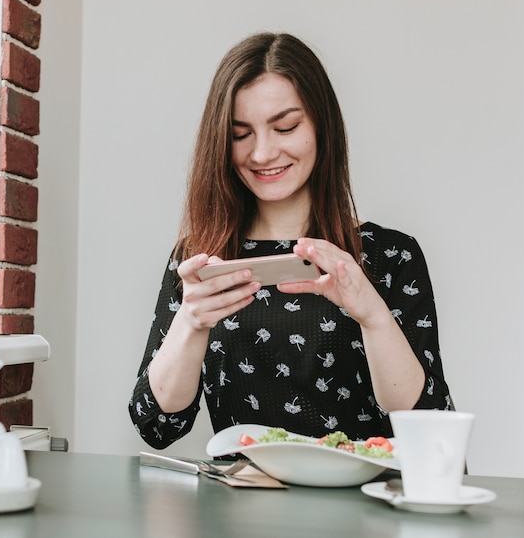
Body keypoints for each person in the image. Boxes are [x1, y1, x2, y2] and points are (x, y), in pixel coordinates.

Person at [129, 32, 452, 450]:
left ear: (322, 124)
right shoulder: (201, 262)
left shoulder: (389, 256)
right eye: (241, 134)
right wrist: (190, 322)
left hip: (364, 507)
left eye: (285, 127)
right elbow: (156, 426)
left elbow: (430, 423)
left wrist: (371, 313)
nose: (262, 153)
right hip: (242, 505)